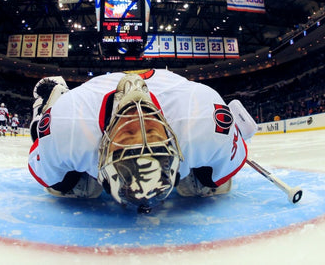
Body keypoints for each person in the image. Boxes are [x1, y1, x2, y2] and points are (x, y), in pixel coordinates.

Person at [28, 69, 257, 214]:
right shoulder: (202, 117)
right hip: (178, 91)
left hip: (81, 105)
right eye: (153, 134)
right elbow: (218, 174)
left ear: (102, 154)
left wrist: (43, 119)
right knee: (207, 185)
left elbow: (48, 167)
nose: (139, 123)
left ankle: (50, 99)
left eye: (128, 138)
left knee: (67, 187)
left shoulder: (67, 124)